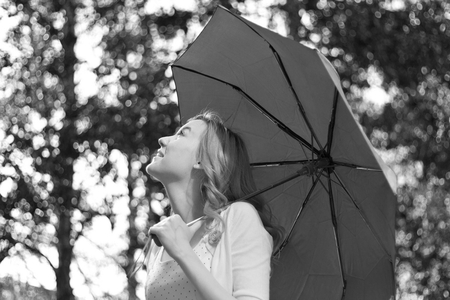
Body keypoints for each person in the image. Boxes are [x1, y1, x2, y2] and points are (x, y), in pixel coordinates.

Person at [144, 110, 281, 300]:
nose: (163, 140)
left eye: (181, 134)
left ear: (202, 159)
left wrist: (182, 251)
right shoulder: (160, 241)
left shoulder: (237, 217)